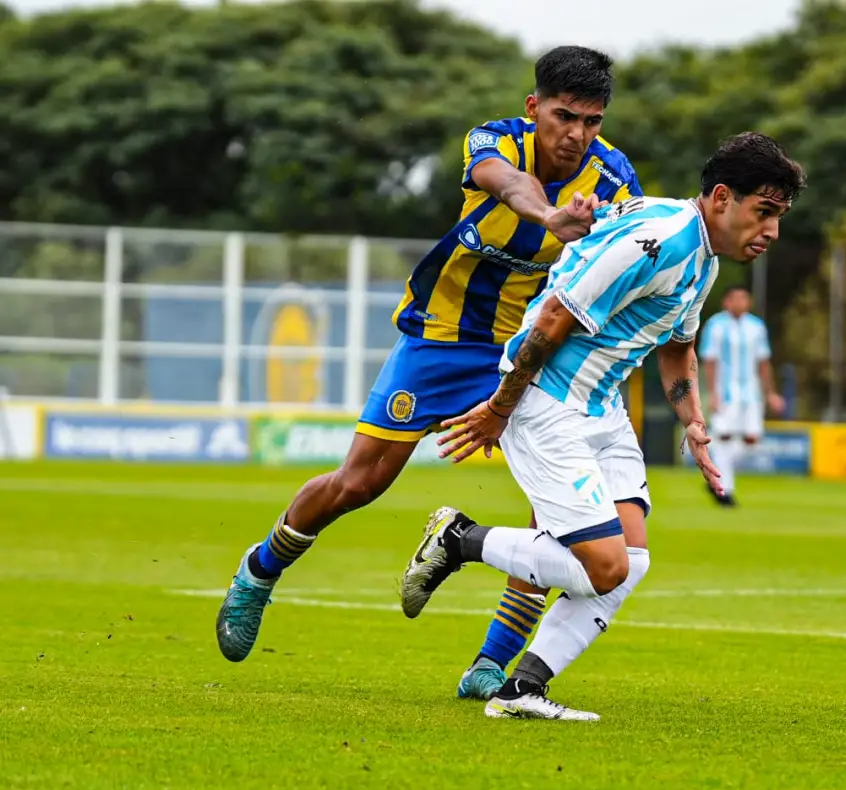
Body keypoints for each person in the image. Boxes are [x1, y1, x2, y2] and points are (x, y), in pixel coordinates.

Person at [214, 46, 642, 667]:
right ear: (534, 108)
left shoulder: (613, 177)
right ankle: (259, 572)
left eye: (592, 121)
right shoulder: (495, 141)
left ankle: (492, 664)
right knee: (359, 482)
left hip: (529, 351)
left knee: (555, 508)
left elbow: (624, 256)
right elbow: (510, 185)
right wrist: (552, 216)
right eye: (564, 116)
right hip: (440, 337)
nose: (577, 134)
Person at [399, 132, 805, 720]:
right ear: (722, 198)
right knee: (607, 564)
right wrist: (501, 407)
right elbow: (554, 315)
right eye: (764, 212)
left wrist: (695, 424)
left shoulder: (703, 258)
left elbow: (677, 348)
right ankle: (459, 539)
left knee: (631, 563)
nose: (772, 230)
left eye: (779, 217)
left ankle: (521, 690)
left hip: (601, 407)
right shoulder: (658, 241)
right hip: (545, 400)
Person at [698, 285, 785, 506]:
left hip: (751, 392)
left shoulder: (756, 327)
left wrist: (770, 393)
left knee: (752, 439)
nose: (739, 302)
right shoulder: (715, 325)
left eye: (743, 298)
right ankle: (724, 489)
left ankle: (715, 475)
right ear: (726, 302)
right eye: (734, 298)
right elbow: (710, 361)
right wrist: (712, 393)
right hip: (726, 392)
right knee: (724, 436)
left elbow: (763, 362)